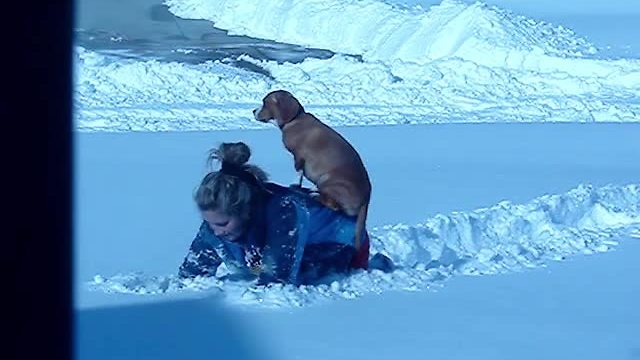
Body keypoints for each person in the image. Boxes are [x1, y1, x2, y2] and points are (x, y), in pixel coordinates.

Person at [178, 141, 372, 286]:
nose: (216, 231)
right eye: (209, 223)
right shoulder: (217, 219)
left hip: (343, 244)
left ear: (245, 211)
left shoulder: (284, 211)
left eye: (222, 224)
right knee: (246, 258)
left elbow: (277, 280)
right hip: (281, 240)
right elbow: (193, 272)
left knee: (295, 273)